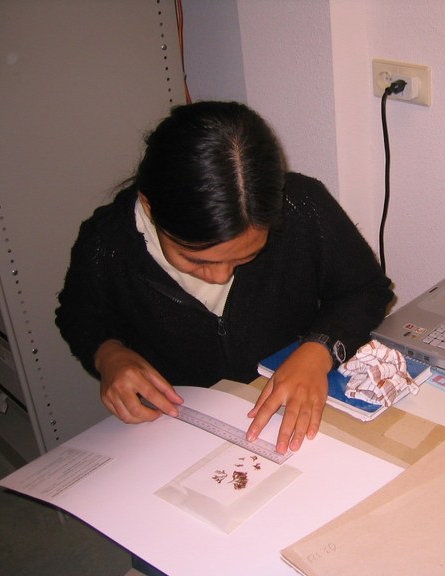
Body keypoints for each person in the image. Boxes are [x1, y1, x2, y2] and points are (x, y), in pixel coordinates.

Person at [55, 100, 393, 457]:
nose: (219, 277)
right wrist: (108, 355)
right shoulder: (107, 242)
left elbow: (365, 290)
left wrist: (319, 350)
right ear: (150, 207)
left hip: (293, 415)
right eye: (195, 260)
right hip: (179, 430)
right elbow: (78, 314)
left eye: (247, 256)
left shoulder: (302, 207)